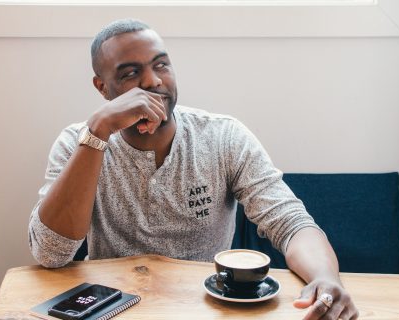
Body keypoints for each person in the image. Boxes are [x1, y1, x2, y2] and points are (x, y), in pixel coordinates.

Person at [28, 19, 358, 320]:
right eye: (130, 73)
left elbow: (291, 224)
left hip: (206, 309)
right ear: (102, 88)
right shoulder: (78, 142)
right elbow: (50, 254)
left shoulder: (224, 137)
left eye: (161, 65)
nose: (153, 81)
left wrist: (325, 278)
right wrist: (98, 131)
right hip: (114, 310)